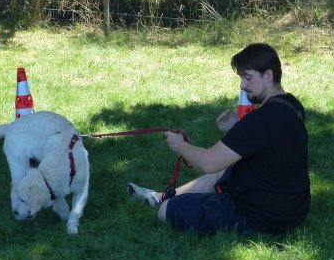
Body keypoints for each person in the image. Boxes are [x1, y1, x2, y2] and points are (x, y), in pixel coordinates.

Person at [128, 43, 310, 235]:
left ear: (268, 75)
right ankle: (159, 197)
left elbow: (209, 162)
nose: (243, 85)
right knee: (223, 173)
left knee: (166, 211)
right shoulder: (291, 106)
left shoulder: (260, 120)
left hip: (260, 216)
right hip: (294, 209)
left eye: (248, 78)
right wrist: (236, 128)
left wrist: (178, 145)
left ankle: (164, 203)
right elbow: (269, 145)